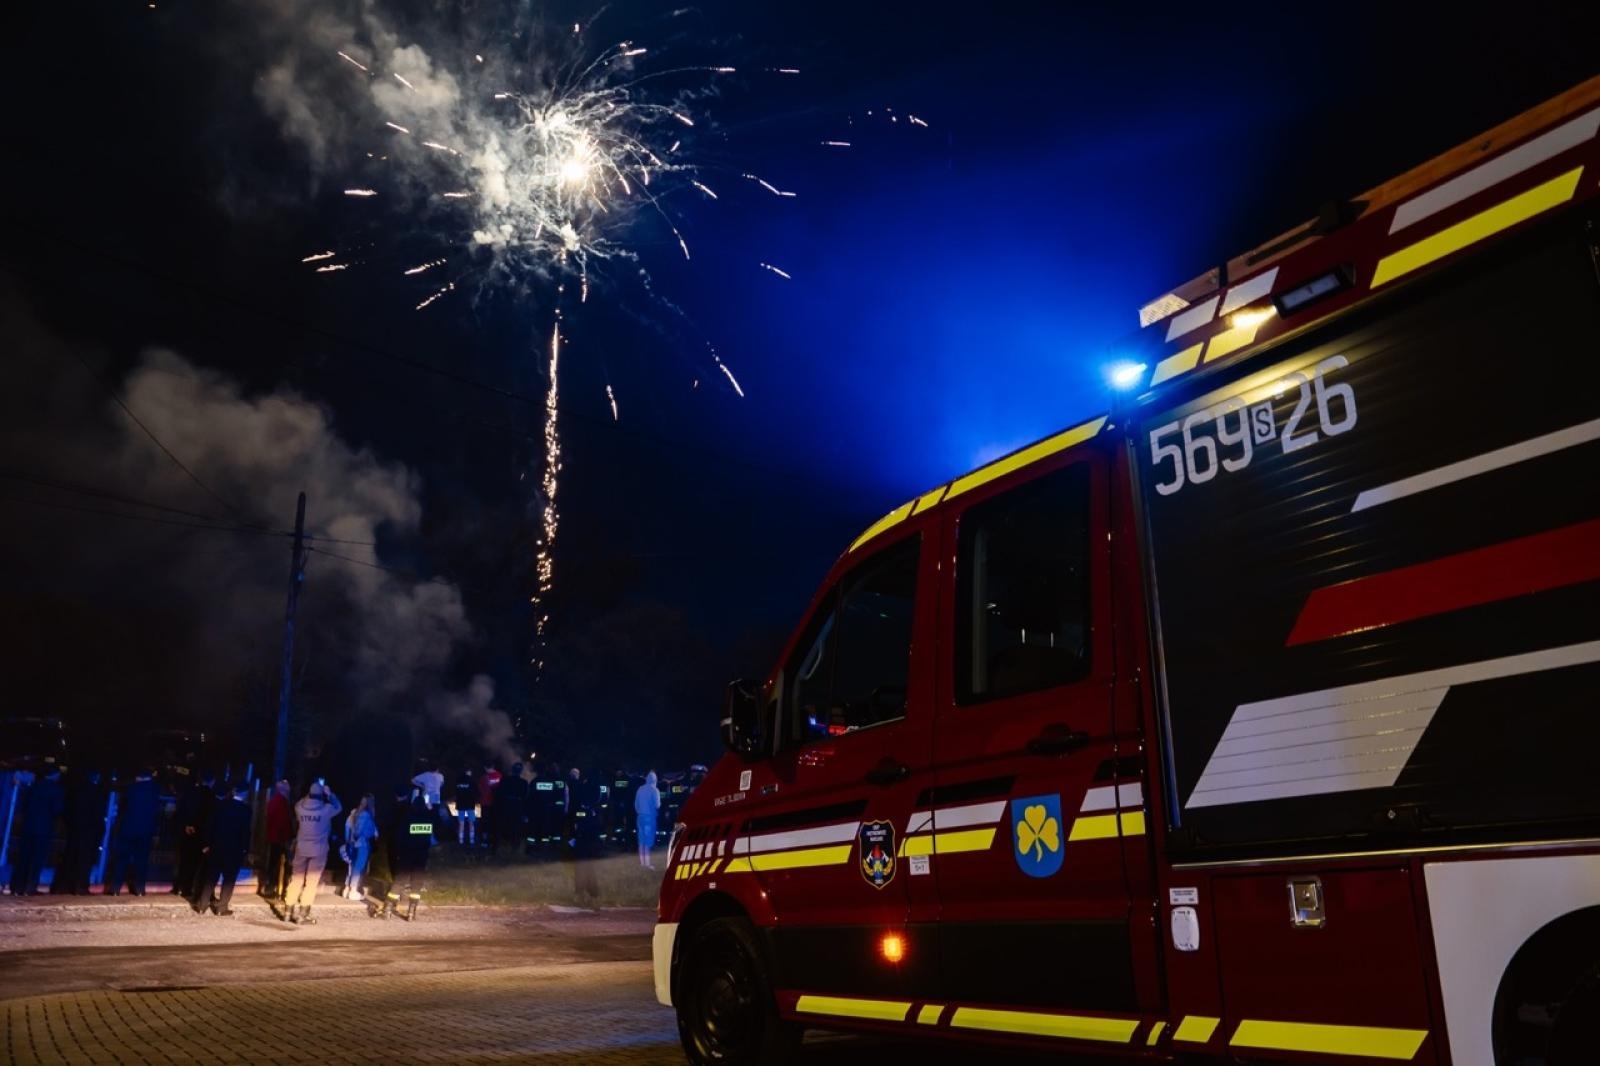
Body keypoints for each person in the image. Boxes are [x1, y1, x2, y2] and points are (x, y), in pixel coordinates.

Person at [283, 780, 341, 924]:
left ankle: (287, 912)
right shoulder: (326, 809)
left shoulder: (299, 807)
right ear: (321, 795)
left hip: (301, 848)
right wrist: (330, 794)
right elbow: (338, 807)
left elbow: (301, 803)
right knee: (311, 883)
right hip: (318, 850)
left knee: (296, 880)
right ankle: (303, 914)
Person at [192, 781, 252, 916]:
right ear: (245, 793)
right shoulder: (246, 810)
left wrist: (206, 844)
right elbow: (246, 832)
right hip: (234, 849)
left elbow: (209, 825)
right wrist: (245, 849)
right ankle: (221, 907)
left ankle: (202, 905)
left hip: (216, 846)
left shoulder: (220, 805)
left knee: (211, 877)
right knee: (229, 879)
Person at [105, 768, 159, 896]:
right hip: (146, 830)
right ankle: (140, 889)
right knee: (142, 860)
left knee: (121, 859)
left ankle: (115, 888)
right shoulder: (155, 790)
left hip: (128, 828)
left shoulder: (132, 789)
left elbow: (124, 805)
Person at [11, 767, 65, 895]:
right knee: (37, 859)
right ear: (55, 776)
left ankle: (18, 886)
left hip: (28, 826)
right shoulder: (56, 789)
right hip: (44, 828)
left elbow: (24, 805)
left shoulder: (34, 786)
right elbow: (58, 809)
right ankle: (30, 887)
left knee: (24, 857)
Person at [57, 769, 106, 895]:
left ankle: (63, 886)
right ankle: (80, 887)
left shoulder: (77, 791)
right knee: (84, 860)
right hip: (89, 830)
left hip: (76, 829)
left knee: (71, 857)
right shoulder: (97, 793)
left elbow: (67, 809)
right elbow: (98, 813)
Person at [171, 771, 216, 898]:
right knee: (198, 864)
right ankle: (191, 889)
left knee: (185, 861)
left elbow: (181, 810)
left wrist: (186, 825)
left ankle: (180, 887)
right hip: (201, 833)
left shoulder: (189, 792)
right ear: (211, 782)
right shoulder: (210, 795)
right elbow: (208, 816)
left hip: (187, 832)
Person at [341, 794, 378, 900]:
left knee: (351, 866)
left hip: (351, 844)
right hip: (363, 844)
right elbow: (373, 832)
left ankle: (346, 889)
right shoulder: (367, 815)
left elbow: (347, 828)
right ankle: (353, 891)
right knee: (359, 867)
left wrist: (348, 841)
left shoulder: (353, 813)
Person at [261, 779, 292, 901]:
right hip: (280, 838)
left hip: (275, 836)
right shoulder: (281, 801)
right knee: (279, 864)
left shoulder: (275, 800)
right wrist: (286, 838)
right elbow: (282, 822)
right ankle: (277, 888)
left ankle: (272, 887)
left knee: (274, 863)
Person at [497, 762, 528, 856]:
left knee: (505, 824)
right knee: (516, 826)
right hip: (517, 806)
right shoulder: (524, 782)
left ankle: (504, 843)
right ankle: (514, 844)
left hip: (506, 804)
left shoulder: (505, 780)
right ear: (520, 771)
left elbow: (500, 793)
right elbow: (525, 796)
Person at [635, 770, 661, 870]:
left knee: (641, 841)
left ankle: (642, 863)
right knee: (647, 842)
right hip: (649, 818)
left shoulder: (640, 789)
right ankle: (647, 864)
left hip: (640, 817)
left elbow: (636, 805)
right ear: (655, 780)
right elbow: (657, 805)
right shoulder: (655, 790)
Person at [454, 768, 477, 846]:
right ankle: (472, 841)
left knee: (461, 823)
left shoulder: (458, 780)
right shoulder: (472, 781)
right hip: (470, 804)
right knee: (471, 823)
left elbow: (456, 792)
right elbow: (476, 792)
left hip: (460, 804)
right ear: (469, 772)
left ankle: (460, 841)